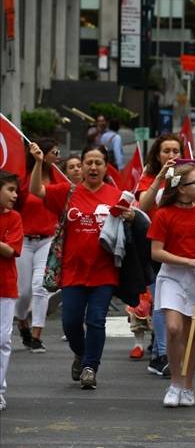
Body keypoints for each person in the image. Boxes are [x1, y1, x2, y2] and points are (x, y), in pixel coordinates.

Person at [29, 143, 133, 389]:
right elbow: (36, 190)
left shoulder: (115, 195)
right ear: (82, 167)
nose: (93, 167)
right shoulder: (67, 192)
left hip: (104, 271)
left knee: (96, 320)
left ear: (106, 167)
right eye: (89, 163)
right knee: (71, 322)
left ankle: (90, 367)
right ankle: (81, 353)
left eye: (98, 163)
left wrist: (131, 216)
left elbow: (137, 218)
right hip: (72, 271)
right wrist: (37, 162)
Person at [147, 163, 195, 407]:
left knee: (191, 334)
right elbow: (156, 253)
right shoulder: (164, 214)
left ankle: (188, 386)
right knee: (174, 329)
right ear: (181, 188)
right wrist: (188, 261)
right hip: (172, 276)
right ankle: (174, 383)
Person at [136, 134, 183, 375]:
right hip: (153, 247)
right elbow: (142, 207)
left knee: (170, 302)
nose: (172, 155)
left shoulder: (186, 178)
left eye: (176, 150)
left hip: (180, 246)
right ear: (157, 155)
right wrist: (161, 178)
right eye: (167, 151)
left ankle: (158, 354)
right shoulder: (148, 178)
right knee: (161, 299)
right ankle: (163, 353)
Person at [15, 138, 61, 353]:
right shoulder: (22, 181)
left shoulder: (58, 179)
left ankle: (36, 335)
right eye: (54, 152)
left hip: (47, 240)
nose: (58, 156)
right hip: (24, 240)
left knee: (40, 287)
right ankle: (22, 321)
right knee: (23, 293)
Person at [0, 170, 24, 411]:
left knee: (3, 339)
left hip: (5, 286)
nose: (15, 195)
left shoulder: (15, 217)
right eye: (10, 189)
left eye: (16, 190)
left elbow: (10, 250)